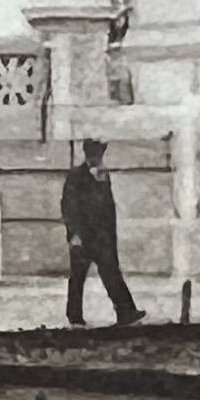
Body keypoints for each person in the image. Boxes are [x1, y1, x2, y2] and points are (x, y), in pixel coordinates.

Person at [60, 137, 146, 329]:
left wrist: (110, 236)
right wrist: (74, 234)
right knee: (78, 277)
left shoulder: (102, 176)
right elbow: (69, 207)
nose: (96, 157)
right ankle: (75, 317)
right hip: (83, 236)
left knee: (111, 273)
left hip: (102, 237)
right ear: (86, 153)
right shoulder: (76, 176)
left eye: (98, 154)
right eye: (93, 153)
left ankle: (126, 312)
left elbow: (108, 208)